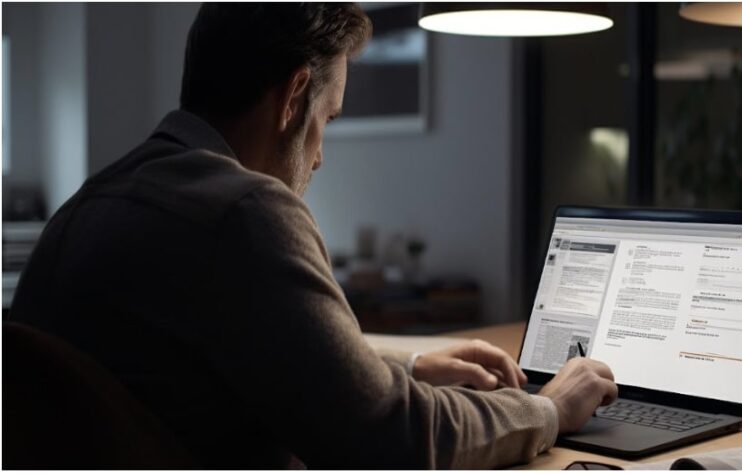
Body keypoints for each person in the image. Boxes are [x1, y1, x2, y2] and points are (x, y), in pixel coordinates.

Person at [10, 3, 618, 469]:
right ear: (294, 95)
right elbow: (392, 442)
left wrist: (404, 368)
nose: (321, 155)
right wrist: (548, 409)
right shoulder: (244, 211)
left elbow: (240, 362)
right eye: (327, 118)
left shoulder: (94, 200)